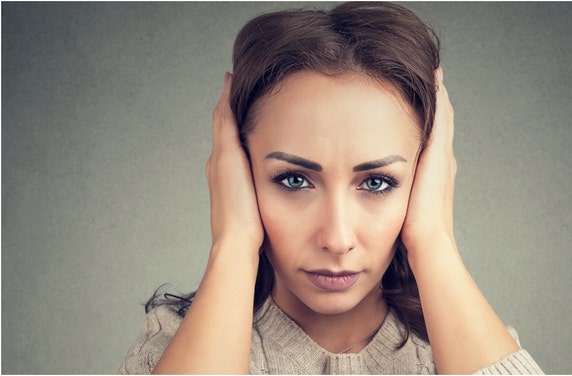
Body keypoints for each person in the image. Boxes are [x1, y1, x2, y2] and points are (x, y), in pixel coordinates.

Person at [120, 2, 543, 374]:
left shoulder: (470, 347)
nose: (337, 239)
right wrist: (232, 243)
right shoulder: (170, 346)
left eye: (377, 182)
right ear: (239, 175)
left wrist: (433, 238)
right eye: (294, 180)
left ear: (423, 181)